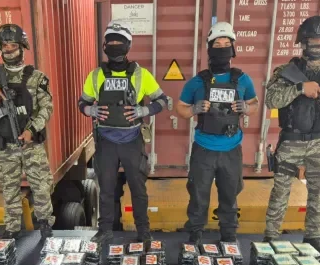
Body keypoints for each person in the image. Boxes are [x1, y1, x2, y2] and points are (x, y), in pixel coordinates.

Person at [263, 15, 320, 251]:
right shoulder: (286, 71)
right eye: (313, 39)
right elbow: (272, 100)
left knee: (318, 191)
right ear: (303, 41)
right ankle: (270, 237)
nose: (317, 44)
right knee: (280, 191)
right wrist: (299, 88)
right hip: (291, 140)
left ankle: (313, 238)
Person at [78, 21, 169, 244]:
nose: (115, 46)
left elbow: (162, 100)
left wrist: (143, 110)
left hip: (132, 140)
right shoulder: (96, 75)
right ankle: (105, 230)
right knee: (106, 189)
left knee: (138, 189)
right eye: (111, 42)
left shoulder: (141, 74)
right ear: (104, 46)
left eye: (119, 42)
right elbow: (82, 102)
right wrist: (91, 110)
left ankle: (143, 231)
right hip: (106, 141)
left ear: (128, 45)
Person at [176, 22, 259, 245]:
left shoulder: (242, 79)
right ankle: (195, 234)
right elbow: (180, 108)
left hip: (231, 149)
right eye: (217, 44)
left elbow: (255, 103)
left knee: (230, 196)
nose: (222, 48)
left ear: (233, 48)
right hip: (203, 150)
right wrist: (194, 109)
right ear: (209, 49)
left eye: (226, 44)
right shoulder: (197, 81)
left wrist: (246, 107)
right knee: (198, 195)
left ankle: (229, 236)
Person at [0, 24, 54, 240]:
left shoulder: (36, 77)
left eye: (13, 45)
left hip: (31, 143)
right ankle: (12, 228)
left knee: (41, 186)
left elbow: (46, 108)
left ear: (22, 47)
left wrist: (31, 130)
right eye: (5, 45)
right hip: (6, 144)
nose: (9, 49)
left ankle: (45, 223)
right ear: (0, 48)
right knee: (9, 189)